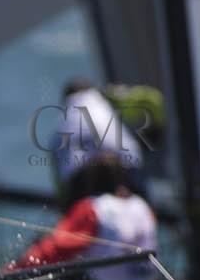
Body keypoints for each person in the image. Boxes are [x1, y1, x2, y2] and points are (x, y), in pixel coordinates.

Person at [5, 153, 157, 280]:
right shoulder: (143, 208)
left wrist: (12, 271)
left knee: (47, 269)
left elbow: (54, 250)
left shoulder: (92, 209)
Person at [49, 79, 145, 208]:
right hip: (126, 168)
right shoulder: (104, 105)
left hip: (83, 179)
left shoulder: (62, 120)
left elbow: (60, 176)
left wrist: (65, 208)